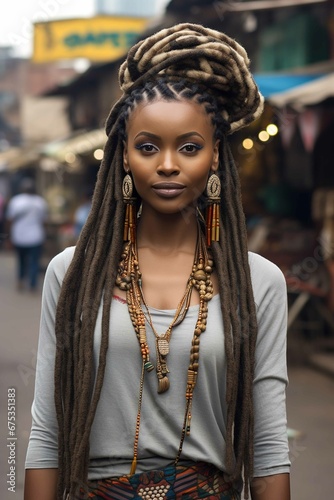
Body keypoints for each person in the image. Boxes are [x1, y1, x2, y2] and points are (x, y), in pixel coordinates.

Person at [24, 23, 290, 500]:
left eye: (189, 147)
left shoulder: (258, 281)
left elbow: (268, 445)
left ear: (213, 158)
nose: (168, 164)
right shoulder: (72, 273)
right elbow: (48, 434)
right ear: (124, 157)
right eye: (148, 147)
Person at [6, 177, 48, 291]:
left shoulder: (16, 201)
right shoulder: (40, 202)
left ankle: (21, 280)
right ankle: (33, 283)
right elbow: (44, 221)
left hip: (19, 236)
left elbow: (9, 220)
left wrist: (8, 236)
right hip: (36, 236)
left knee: (21, 260)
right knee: (34, 261)